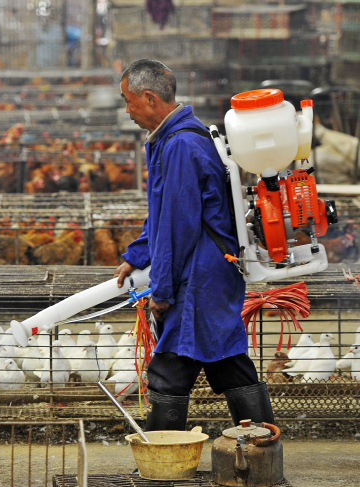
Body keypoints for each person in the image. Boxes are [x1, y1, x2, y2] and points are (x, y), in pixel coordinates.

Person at [114, 59, 275, 431]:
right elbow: (164, 210)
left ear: (150, 98)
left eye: (128, 101)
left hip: (198, 275)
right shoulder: (176, 138)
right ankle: (262, 448)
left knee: (171, 367)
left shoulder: (181, 145)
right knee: (227, 359)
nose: (127, 110)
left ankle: (163, 463)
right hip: (211, 270)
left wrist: (163, 291)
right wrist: (136, 256)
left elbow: (176, 226)